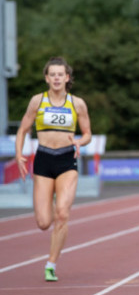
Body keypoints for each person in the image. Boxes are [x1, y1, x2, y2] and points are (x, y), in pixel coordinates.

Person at [14, 57, 92, 282]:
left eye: (61, 74)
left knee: (62, 213)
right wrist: (19, 155)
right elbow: (22, 130)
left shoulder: (77, 103)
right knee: (43, 222)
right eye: (52, 75)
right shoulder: (37, 101)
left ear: (67, 78)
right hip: (44, 159)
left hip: (67, 159)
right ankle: (46, 200)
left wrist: (80, 141)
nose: (57, 78)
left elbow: (87, 133)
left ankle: (51, 263)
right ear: (47, 78)